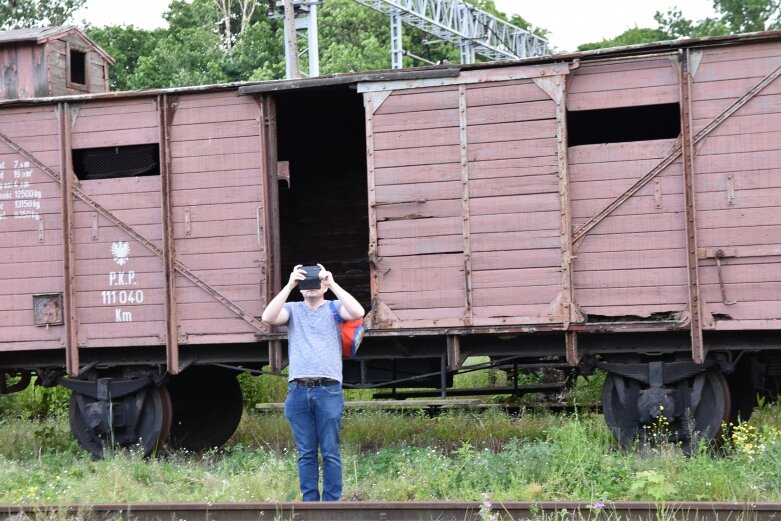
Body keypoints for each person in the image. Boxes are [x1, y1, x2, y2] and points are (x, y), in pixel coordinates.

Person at [261, 263, 365, 502]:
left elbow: (358, 312)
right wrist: (289, 284)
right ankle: (310, 504)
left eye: (315, 281)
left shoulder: (334, 308)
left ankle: (330, 504)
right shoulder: (292, 309)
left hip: (328, 390)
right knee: (306, 453)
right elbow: (268, 317)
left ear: (323, 285)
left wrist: (332, 283)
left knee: (330, 452)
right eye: (306, 282)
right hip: (297, 391)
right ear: (300, 287)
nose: (311, 286)